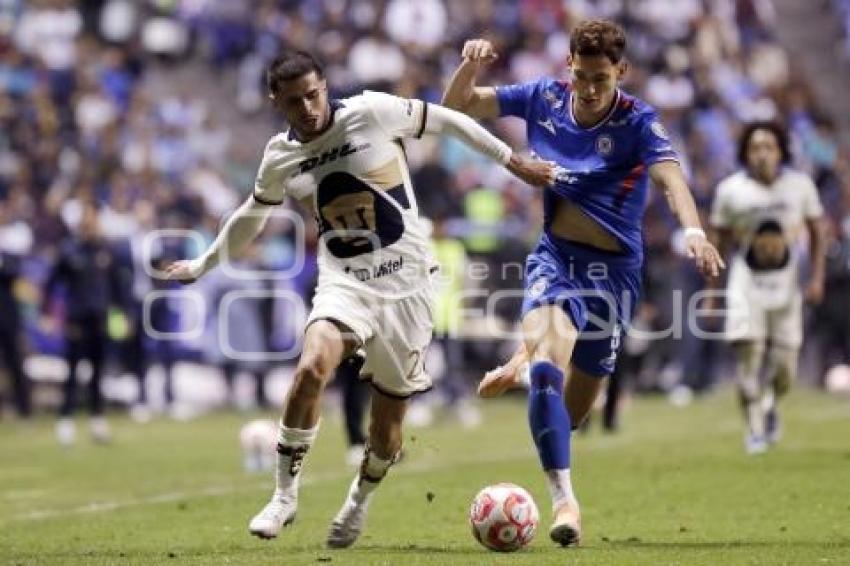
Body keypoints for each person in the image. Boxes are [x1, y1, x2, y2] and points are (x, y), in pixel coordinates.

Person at [164, 50, 554, 548]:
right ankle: (284, 495)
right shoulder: (280, 156)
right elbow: (250, 215)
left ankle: (359, 500)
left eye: (313, 94)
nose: (307, 107)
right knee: (311, 368)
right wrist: (203, 265)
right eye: (293, 101)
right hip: (345, 282)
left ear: (325, 87)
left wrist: (511, 161)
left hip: (409, 287)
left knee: (387, 429)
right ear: (275, 102)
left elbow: (450, 120)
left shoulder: (371, 112)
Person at [442, 20, 724, 546]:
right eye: (581, 76)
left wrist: (693, 231)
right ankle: (564, 501)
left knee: (570, 413)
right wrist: (471, 63)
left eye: (601, 78)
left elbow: (671, 180)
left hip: (614, 277)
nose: (590, 88)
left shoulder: (638, 121)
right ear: (568, 65)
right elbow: (459, 105)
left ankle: (523, 364)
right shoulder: (542, 97)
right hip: (557, 258)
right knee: (551, 367)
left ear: (621, 71)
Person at [708, 121, 825, 454]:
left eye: (768, 147)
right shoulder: (731, 190)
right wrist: (713, 293)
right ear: (745, 152)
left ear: (780, 151)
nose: (761, 154)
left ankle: (771, 405)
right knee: (749, 357)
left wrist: (816, 278)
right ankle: (754, 429)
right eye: (754, 148)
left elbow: (818, 232)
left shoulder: (800, 186)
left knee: (785, 366)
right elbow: (717, 241)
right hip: (746, 284)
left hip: (787, 285)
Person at [42, 204, 123, 445]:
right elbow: (51, 283)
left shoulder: (105, 251)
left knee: (98, 371)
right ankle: (65, 420)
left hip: (99, 318)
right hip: (76, 319)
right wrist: (47, 312)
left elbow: (117, 286)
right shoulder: (70, 251)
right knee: (73, 371)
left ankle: (97, 421)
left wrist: (122, 314)